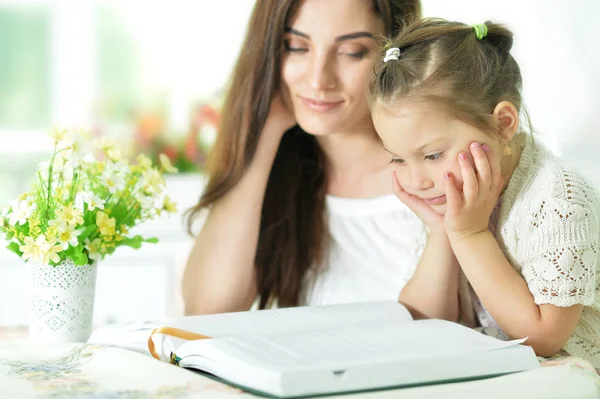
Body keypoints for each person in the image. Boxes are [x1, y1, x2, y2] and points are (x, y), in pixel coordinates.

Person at [368, 18, 600, 366]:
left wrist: (469, 234)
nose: (417, 180)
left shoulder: (558, 199)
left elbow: (543, 339)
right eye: (398, 159)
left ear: (503, 124)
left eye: (433, 155)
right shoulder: (455, 194)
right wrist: (442, 233)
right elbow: (421, 325)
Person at [182, 0, 424, 314]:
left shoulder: (431, 175)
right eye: (296, 47)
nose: (318, 79)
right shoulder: (281, 171)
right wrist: (265, 131)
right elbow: (207, 311)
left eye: (352, 51)